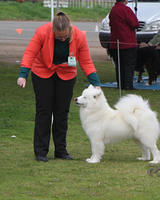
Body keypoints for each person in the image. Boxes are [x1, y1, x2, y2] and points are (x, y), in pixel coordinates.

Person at [17, 11, 101, 162]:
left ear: (70, 30)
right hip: (42, 73)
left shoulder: (79, 36)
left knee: (62, 112)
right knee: (44, 111)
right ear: (52, 31)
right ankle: (41, 152)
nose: (62, 39)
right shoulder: (42, 32)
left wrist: (96, 83)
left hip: (66, 75)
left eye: (65, 37)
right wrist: (23, 74)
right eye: (59, 37)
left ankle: (61, 151)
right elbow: (30, 53)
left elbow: (86, 61)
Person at [109, 0, 139, 90]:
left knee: (119, 65)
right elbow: (135, 23)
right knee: (129, 65)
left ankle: (121, 84)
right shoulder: (126, 9)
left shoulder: (113, 10)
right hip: (127, 42)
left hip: (115, 42)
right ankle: (128, 85)